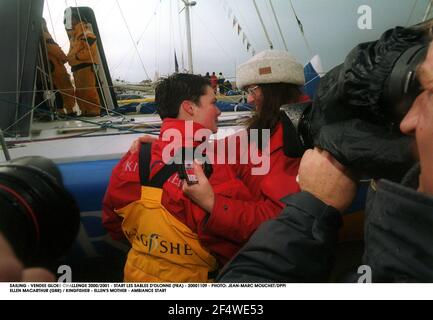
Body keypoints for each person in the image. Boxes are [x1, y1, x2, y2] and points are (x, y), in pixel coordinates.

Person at [217, 42, 433, 283]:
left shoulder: (303, 138)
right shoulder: (271, 129)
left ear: (273, 89)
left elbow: (284, 218)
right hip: (263, 247)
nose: (248, 98)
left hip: (272, 253)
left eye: (253, 89)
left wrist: (212, 205)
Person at [103, 73, 256, 282]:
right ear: (189, 107)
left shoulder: (136, 154)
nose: (219, 110)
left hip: (135, 276)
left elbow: (112, 221)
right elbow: (241, 237)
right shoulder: (211, 168)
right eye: (213, 102)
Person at [65, 8, 101, 117]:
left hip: (85, 66)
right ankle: (85, 111)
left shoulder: (87, 33)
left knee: (88, 89)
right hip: (77, 68)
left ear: (75, 19)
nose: (69, 22)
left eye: (70, 19)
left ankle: (94, 111)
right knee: (80, 92)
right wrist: (70, 58)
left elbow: (90, 51)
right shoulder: (74, 37)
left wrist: (76, 57)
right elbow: (71, 53)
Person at [42, 18, 76, 116]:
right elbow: (54, 49)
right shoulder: (46, 35)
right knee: (65, 87)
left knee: (56, 89)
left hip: (49, 67)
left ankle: (60, 110)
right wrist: (64, 58)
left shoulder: (40, 37)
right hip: (55, 66)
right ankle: (69, 111)